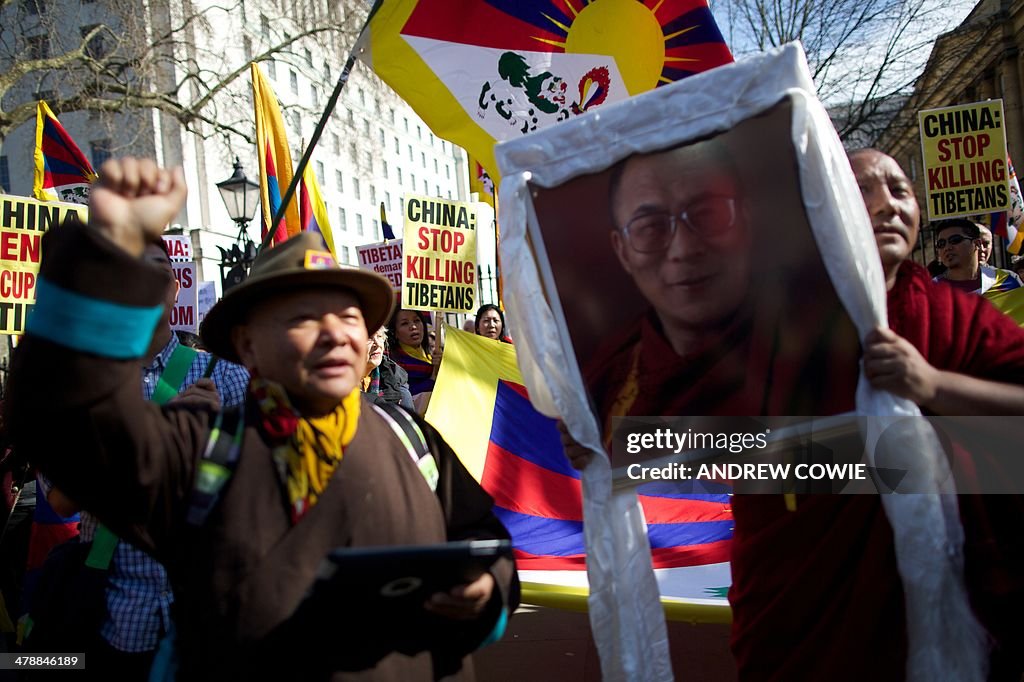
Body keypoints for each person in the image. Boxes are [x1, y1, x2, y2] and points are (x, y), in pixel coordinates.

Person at [7, 157, 517, 681]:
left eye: (348, 317)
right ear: (247, 345)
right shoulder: (202, 447)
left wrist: (485, 590)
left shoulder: (411, 438)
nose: (335, 334)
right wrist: (109, 262)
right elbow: (65, 433)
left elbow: (487, 543)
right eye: (304, 318)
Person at [932, 218, 1023, 295]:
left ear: (977, 244)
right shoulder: (930, 291)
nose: (947, 247)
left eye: (955, 240)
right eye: (941, 244)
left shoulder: (1008, 281)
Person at [388, 309, 439, 396]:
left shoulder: (433, 357)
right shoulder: (391, 363)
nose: (413, 327)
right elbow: (403, 396)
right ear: (394, 332)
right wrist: (433, 378)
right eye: (405, 323)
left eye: (416, 321)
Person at [361, 327, 414, 410]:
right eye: (368, 338)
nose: (377, 344)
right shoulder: (338, 384)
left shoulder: (397, 387)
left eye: (379, 336)